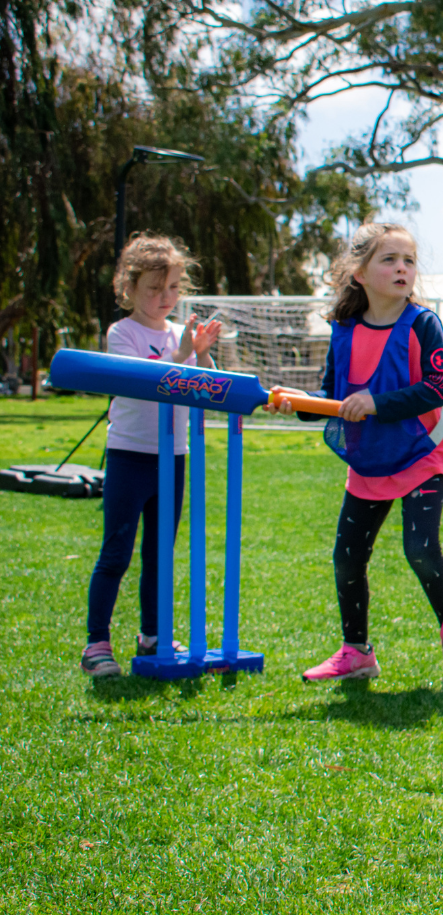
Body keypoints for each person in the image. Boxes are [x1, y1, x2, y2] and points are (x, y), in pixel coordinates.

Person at [268, 222, 443, 688]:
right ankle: (356, 651)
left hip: (424, 453)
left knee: (420, 549)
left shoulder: (423, 323)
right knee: (347, 557)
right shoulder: (342, 331)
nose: (402, 268)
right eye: (389, 259)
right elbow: (331, 398)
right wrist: (294, 402)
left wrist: (378, 403)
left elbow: (439, 388)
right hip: (370, 460)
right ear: (358, 273)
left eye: (408, 260)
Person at [81, 234, 222, 677]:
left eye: (174, 289)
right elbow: (145, 384)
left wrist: (200, 356)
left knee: (160, 553)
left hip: (173, 457)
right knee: (117, 551)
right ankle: (96, 644)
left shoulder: (182, 333)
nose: (165, 299)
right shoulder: (121, 333)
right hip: (129, 455)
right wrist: (182, 355)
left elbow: (203, 386)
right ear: (129, 287)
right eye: (154, 289)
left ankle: (153, 635)